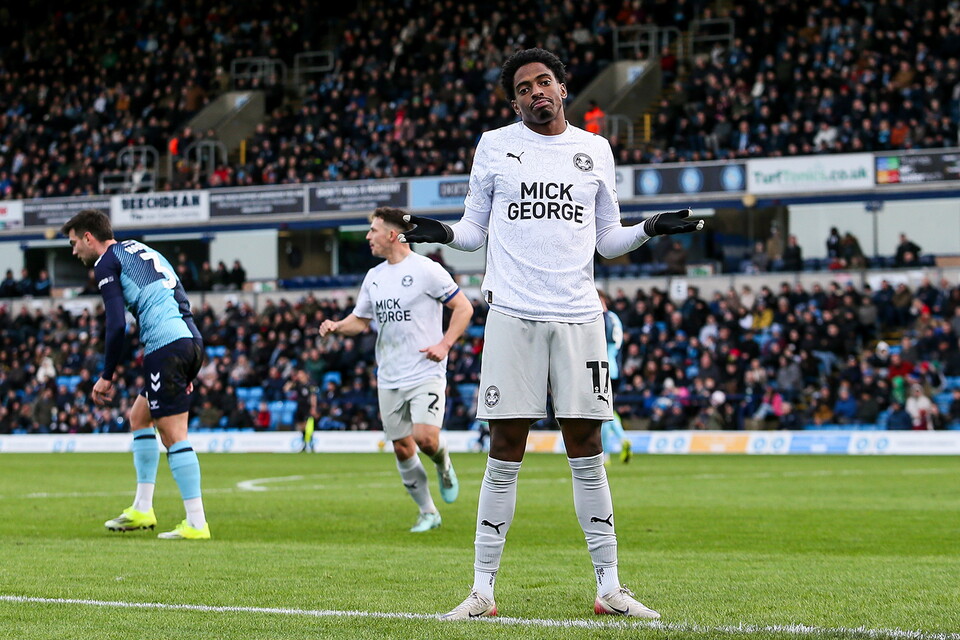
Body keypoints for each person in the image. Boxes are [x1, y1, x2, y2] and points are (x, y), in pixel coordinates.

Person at [398, 48, 703, 621]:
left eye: (545, 82)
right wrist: (432, 230)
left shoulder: (595, 150)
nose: (536, 92)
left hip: (579, 317)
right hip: (512, 313)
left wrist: (651, 229)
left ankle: (609, 587)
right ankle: (482, 591)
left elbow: (607, 240)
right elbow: (471, 233)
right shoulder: (494, 145)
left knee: (587, 450)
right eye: (524, 87)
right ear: (514, 101)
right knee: (504, 451)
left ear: (563, 88)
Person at [319, 207, 473, 533]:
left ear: (391, 235)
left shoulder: (427, 270)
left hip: (425, 369)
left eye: (373, 230)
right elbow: (359, 321)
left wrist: (444, 345)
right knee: (403, 447)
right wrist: (336, 326)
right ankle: (428, 512)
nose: (367, 236)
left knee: (426, 439)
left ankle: (443, 463)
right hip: (388, 374)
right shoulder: (374, 276)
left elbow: (463, 307)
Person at [61, 209, 209, 540]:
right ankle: (143, 508)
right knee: (139, 417)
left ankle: (197, 522)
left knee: (173, 434)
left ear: (88, 237)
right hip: (189, 339)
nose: (74, 251)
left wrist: (107, 375)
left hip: (166, 345)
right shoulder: (137, 249)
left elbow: (115, 324)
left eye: (74, 243)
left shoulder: (105, 261)